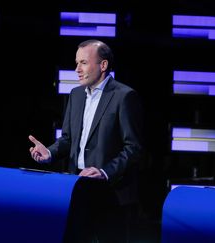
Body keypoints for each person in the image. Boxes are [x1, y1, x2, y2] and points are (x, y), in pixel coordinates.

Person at [29, 39, 144, 242]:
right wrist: (50, 152)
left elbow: (133, 148)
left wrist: (104, 172)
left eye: (83, 63)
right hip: (78, 189)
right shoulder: (75, 95)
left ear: (103, 65)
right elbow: (67, 140)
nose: (77, 69)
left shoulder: (125, 96)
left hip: (111, 194)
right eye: (76, 63)